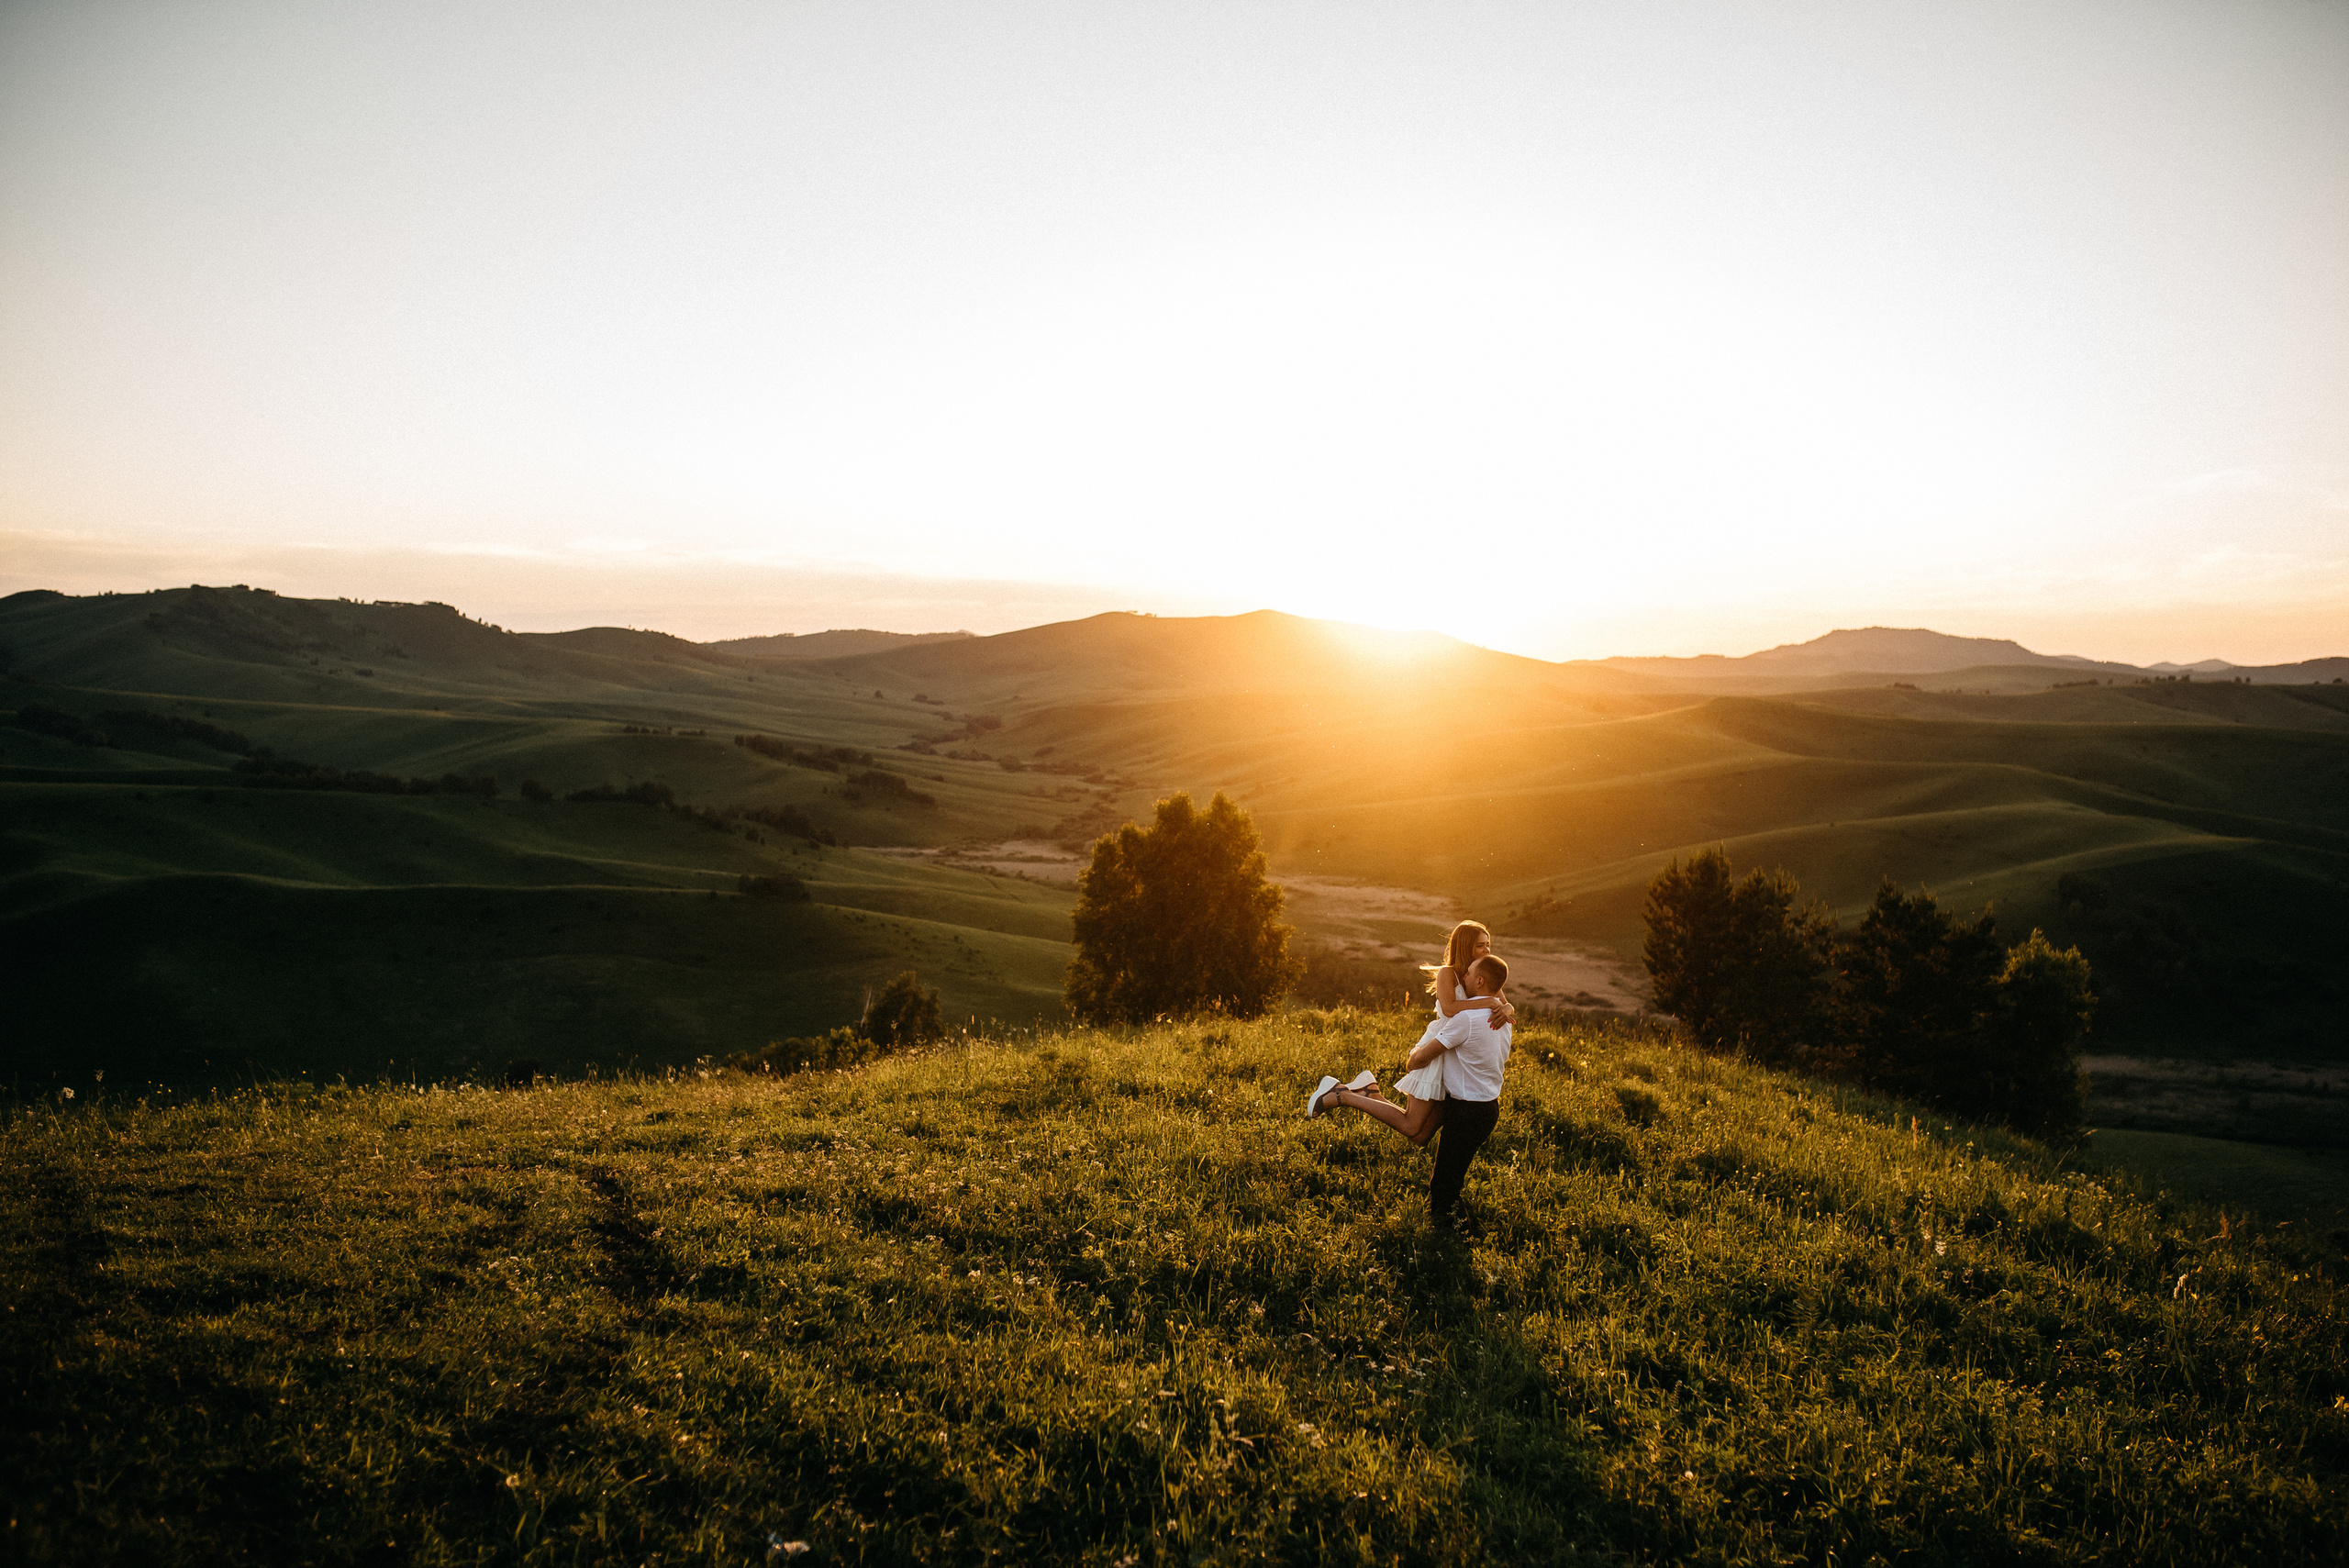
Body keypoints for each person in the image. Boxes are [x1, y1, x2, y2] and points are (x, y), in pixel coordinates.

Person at [1305, 938, 1516, 1227]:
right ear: (1466, 948)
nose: (1487, 949)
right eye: (1480, 945)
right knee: (1418, 1135)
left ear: (1479, 981)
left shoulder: (1484, 1014)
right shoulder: (1496, 1017)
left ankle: (1348, 1094)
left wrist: (1416, 1055)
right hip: (1480, 1103)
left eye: (1487, 946)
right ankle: (1359, 1093)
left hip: (1466, 1104)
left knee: (1422, 1145)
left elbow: (1416, 1060)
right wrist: (1497, 1004)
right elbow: (1462, 1004)